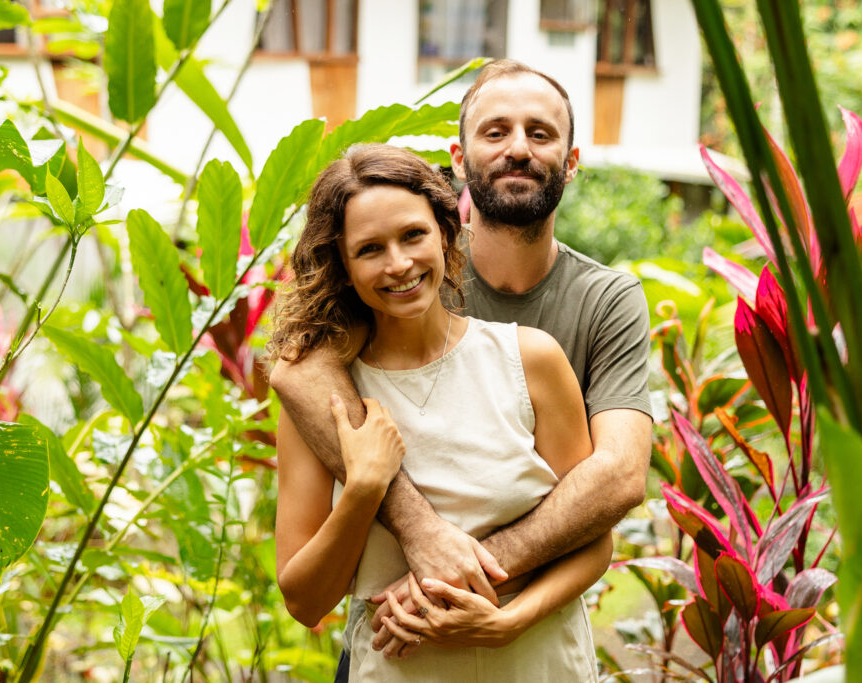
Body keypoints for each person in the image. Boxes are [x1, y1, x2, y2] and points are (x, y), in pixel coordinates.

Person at [270, 59, 653, 670]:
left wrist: (460, 585)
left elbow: (616, 481)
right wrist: (385, 501)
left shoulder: (582, 317)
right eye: (496, 131)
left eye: (542, 132)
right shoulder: (395, 290)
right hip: (395, 655)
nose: (398, 264)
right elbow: (293, 367)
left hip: (532, 648)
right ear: (460, 158)